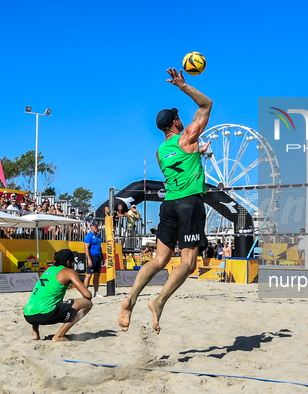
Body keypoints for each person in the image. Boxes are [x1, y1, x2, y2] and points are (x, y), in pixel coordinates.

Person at [119, 67, 213, 334]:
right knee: (188, 262)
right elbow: (207, 104)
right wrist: (182, 86)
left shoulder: (161, 151)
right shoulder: (187, 137)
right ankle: (158, 302)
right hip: (189, 203)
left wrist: (199, 151)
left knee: (160, 259)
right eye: (179, 117)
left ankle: (130, 299)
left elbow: (183, 161)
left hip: (168, 204)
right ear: (175, 122)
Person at [23, 249, 93, 342]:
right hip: (45, 315)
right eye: (72, 260)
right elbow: (87, 295)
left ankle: (35, 333)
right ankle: (59, 336)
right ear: (68, 262)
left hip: (28, 315)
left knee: (41, 298)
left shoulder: (49, 269)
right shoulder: (69, 272)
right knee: (88, 303)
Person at [83, 221, 104, 298]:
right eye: (95, 226)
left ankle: (96, 292)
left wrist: (102, 257)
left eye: (97, 227)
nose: (96, 228)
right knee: (89, 275)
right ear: (91, 227)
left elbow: (99, 247)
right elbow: (86, 248)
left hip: (98, 257)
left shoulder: (98, 235)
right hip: (92, 256)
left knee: (97, 275)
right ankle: (84, 292)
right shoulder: (88, 236)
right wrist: (89, 259)